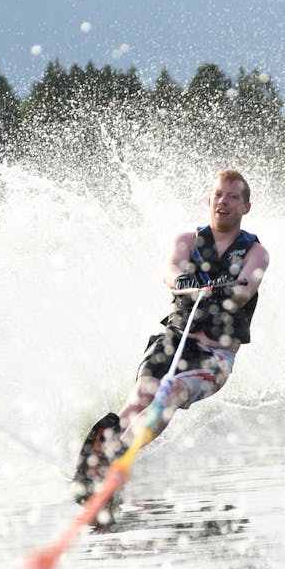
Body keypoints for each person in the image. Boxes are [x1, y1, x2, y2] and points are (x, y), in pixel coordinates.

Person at [73, 168, 269, 507]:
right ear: (208, 200)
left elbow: (245, 289)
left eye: (233, 197)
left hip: (214, 357)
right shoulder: (187, 241)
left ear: (246, 206)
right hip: (174, 338)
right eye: (219, 195)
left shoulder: (256, 253)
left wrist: (220, 294)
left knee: (172, 393)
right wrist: (182, 282)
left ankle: (118, 460)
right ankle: (99, 461)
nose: (224, 201)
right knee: (140, 396)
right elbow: (171, 269)